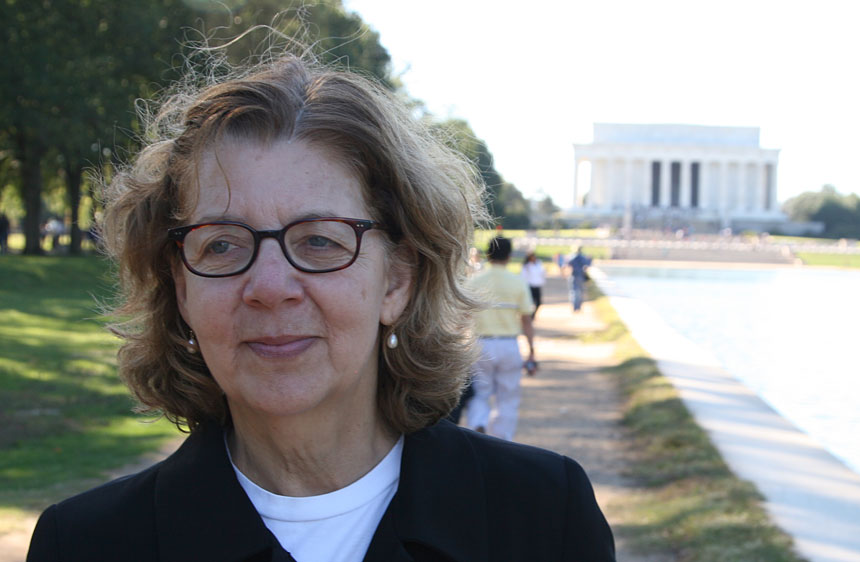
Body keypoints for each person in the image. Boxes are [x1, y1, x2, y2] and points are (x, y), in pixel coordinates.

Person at [27, 54, 614, 561]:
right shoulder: (83, 546)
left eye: (319, 241)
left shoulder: (543, 515)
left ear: (398, 280)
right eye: (222, 245)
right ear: (181, 289)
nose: (269, 285)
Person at [465, 236, 536, 441]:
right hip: (509, 344)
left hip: (481, 343)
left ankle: (477, 426)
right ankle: (503, 439)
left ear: (488, 255)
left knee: (480, 392)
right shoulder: (518, 282)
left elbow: (464, 318)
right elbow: (526, 320)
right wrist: (532, 351)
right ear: (509, 256)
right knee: (508, 396)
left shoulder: (474, 282)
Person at [564, 245, 592, 312]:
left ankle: (574, 306)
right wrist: (590, 259)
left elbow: (566, 265)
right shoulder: (583, 257)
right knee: (580, 292)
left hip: (573, 276)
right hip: (580, 276)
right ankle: (578, 307)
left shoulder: (571, 256)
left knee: (573, 291)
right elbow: (588, 265)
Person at [520, 251, 546, 319]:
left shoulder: (538, 264)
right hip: (530, 286)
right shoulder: (526, 266)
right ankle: (529, 315)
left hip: (537, 285)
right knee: (530, 302)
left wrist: (542, 281)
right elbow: (523, 276)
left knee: (538, 302)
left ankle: (533, 315)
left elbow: (542, 273)